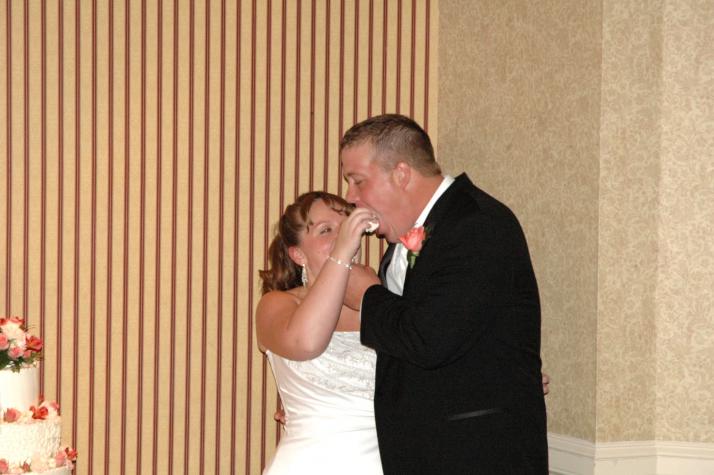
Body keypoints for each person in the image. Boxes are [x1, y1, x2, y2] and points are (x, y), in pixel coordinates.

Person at [341, 114, 548, 473]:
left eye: (358, 181)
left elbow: (429, 339)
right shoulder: (408, 239)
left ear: (401, 174)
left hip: (477, 456)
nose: (350, 196)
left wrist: (367, 295)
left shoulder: (477, 225)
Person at [256, 191, 383, 474]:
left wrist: (374, 295)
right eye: (326, 230)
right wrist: (341, 253)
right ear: (298, 254)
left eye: (346, 226)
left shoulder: (378, 301)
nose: (342, 236)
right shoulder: (277, 304)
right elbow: (306, 342)